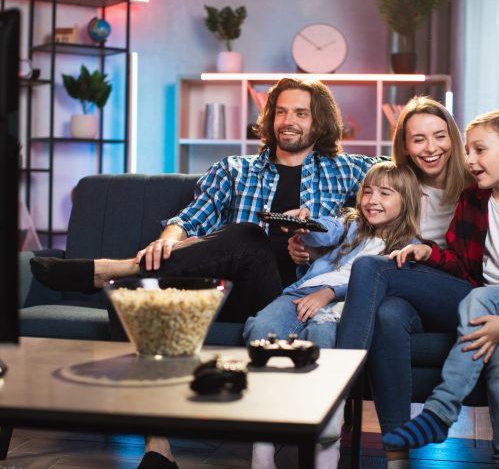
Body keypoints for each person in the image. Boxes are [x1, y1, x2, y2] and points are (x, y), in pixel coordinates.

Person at [30, 77, 383, 469]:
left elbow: (400, 192)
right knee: (142, 290)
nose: (289, 121)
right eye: (281, 111)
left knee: (142, 276)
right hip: (234, 294)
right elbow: (191, 218)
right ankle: (157, 446)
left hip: (293, 297)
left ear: (319, 122)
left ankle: (120, 269)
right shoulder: (235, 169)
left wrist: (322, 242)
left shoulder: (351, 170)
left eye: (301, 113)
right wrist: (167, 238)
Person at [307, 96, 473, 469]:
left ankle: (332, 395)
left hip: (458, 291)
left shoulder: (474, 182)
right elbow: (356, 212)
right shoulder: (399, 183)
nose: (431, 148)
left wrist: (428, 253)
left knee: (370, 267)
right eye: (418, 139)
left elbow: (469, 265)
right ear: (405, 147)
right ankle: (397, 456)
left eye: (439, 136)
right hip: (409, 291)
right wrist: (305, 239)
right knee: (388, 316)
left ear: (454, 138)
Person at [244, 161, 422, 469]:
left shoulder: (408, 245)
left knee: (321, 336)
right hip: (302, 293)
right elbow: (324, 232)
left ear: (405, 200)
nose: (372, 200)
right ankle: (262, 441)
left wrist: (329, 293)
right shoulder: (353, 225)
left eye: (385, 193)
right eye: (366, 191)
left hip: (343, 306)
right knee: (262, 327)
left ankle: (326, 443)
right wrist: (306, 227)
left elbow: (381, 286)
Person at [382, 110, 499, 466]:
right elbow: (464, 268)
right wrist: (430, 253)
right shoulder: (474, 201)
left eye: (479, 150)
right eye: (469, 151)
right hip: (480, 301)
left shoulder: (469, 188)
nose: (470, 160)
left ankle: (440, 413)